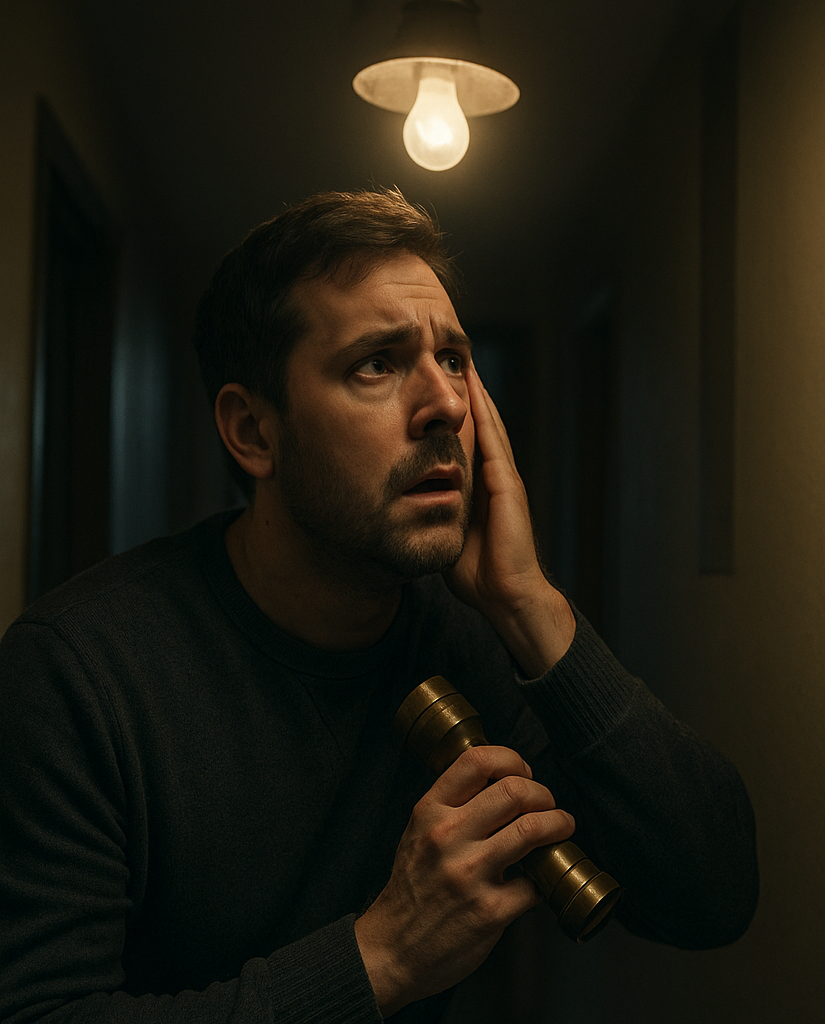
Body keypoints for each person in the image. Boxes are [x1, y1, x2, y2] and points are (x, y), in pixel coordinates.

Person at [0, 190, 758, 1024]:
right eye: (378, 364)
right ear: (253, 432)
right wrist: (382, 959)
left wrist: (530, 604)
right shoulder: (76, 674)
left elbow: (712, 895)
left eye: (456, 360)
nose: (447, 406)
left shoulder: (470, 643)